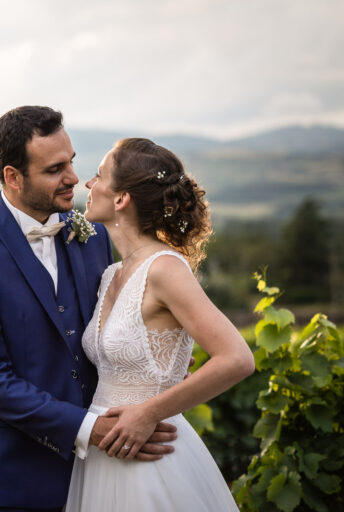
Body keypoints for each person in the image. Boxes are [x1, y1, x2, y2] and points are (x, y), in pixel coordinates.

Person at [0, 107, 178, 512]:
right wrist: (91, 430)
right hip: (12, 480)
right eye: (54, 169)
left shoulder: (93, 235)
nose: (72, 178)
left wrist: (153, 363)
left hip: (105, 474)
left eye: (71, 162)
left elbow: (113, 328)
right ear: (13, 177)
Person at [65, 138, 255, 510]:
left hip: (150, 453)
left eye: (99, 175)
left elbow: (236, 358)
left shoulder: (165, 269)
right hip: (102, 454)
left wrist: (150, 411)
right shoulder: (111, 275)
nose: (88, 184)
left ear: (122, 199)